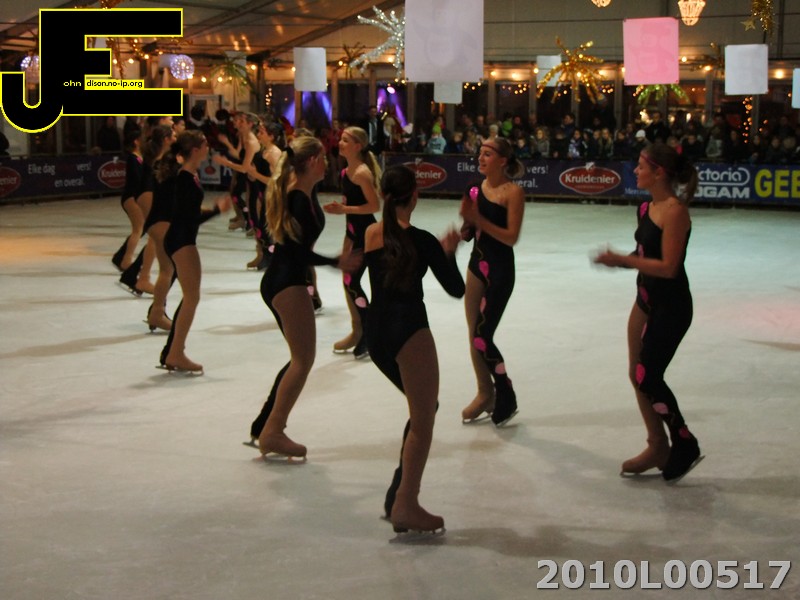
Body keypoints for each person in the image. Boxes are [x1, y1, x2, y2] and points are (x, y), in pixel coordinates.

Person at [593, 142, 703, 483]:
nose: (635, 170)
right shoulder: (645, 208)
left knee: (648, 376)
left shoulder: (675, 212)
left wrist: (622, 260)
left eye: (641, 166)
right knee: (636, 373)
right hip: (645, 300)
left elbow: (669, 267)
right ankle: (657, 445)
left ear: (659, 173)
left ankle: (683, 440)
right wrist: (622, 261)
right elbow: (644, 254)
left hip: (671, 306)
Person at [365, 165, 464, 534]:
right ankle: (405, 503)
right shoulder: (422, 241)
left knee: (423, 407)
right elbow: (456, 288)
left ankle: (398, 495)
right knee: (423, 420)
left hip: (376, 333)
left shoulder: (372, 233)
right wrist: (448, 251)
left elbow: (363, 276)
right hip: (408, 330)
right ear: (415, 196)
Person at [249, 136, 359, 458]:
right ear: (312, 162)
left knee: (298, 358)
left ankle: (265, 424)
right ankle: (272, 431)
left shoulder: (302, 190)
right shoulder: (297, 196)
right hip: (287, 283)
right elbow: (294, 251)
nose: (328, 163)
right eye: (323, 158)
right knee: (302, 360)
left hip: (283, 280)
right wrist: (334, 262)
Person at [459, 137, 525, 427]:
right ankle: (485, 392)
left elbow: (511, 237)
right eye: (480, 153)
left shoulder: (513, 193)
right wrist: (464, 229)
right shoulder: (475, 189)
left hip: (500, 271)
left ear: (502, 161)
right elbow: (470, 230)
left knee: (482, 335)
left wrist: (478, 220)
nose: (480, 158)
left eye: (487, 154)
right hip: (477, 265)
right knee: (473, 333)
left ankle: (505, 391)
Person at [159, 131, 230, 374]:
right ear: (196, 150)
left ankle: (173, 351)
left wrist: (212, 209)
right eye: (205, 144)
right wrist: (217, 211)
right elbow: (189, 218)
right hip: (182, 241)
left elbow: (188, 212)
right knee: (192, 298)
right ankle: (175, 352)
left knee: (191, 297)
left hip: (181, 239)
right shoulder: (185, 179)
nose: (208, 147)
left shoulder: (188, 176)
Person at [322, 126, 381, 358]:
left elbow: (374, 206)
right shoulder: (346, 172)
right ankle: (358, 330)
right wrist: (347, 237)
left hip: (367, 236)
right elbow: (351, 211)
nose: (340, 143)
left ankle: (367, 331)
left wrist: (344, 209)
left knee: (351, 281)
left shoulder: (362, 173)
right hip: (354, 234)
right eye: (341, 139)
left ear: (358, 146)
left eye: (346, 140)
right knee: (348, 281)